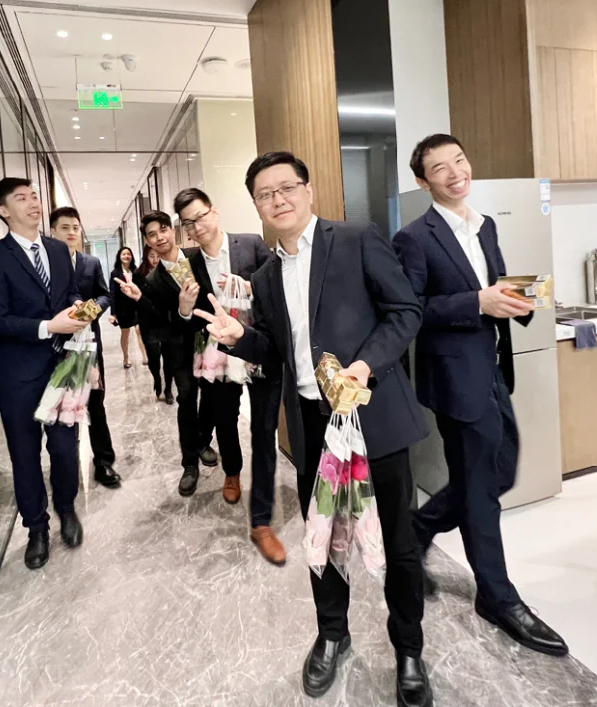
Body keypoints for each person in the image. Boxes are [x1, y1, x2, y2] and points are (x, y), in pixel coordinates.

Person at [195, 151, 432, 705]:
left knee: (399, 541)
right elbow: (275, 351)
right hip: (311, 426)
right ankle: (332, 635)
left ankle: (409, 648)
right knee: (323, 538)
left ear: (308, 190)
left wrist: (365, 365)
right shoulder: (264, 277)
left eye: (287, 187)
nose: (278, 199)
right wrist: (240, 338)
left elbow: (404, 311)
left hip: (371, 417)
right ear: (256, 206)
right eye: (265, 194)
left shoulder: (356, 239)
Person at [392, 134, 568, 658]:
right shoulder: (413, 238)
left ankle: (418, 526)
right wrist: (477, 302)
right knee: (480, 492)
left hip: (492, 369)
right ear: (423, 181)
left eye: (460, 160)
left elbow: (496, 285)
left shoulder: (485, 224)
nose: (455, 173)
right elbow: (410, 311)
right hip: (455, 380)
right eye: (439, 168)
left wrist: (518, 299)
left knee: (501, 472)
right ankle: (496, 596)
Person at [0, 178, 89, 570]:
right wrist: (48, 327)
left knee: (65, 448)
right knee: (25, 454)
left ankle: (67, 510)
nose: (33, 203)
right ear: (3, 210)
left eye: (35, 196)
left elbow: (71, 293)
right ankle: (36, 528)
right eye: (21, 198)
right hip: (19, 374)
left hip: (64, 367)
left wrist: (79, 310)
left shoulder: (58, 249)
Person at [173, 188, 284, 566]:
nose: (197, 226)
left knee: (264, 429)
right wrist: (184, 309)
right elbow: (184, 322)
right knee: (225, 419)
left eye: (200, 216)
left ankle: (261, 519)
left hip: (260, 347)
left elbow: (278, 287)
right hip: (218, 352)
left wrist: (249, 288)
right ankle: (232, 473)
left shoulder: (250, 244)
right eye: (188, 223)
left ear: (214, 212)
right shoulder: (188, 264)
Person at [114, 211, 218, 497]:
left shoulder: (199, 257)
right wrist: (177, 309)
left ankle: (202, 440)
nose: (159, 237)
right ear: (147, 242)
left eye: (163, 229)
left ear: (173, 231)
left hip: (212, 341)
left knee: (212, 396)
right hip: (180, 347)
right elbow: (159, 319)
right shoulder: (152, 280)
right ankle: (190, 464)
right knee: (187, 399)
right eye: (152, 234)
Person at [50, 205, 121, 489]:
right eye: (65, 227)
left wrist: (89, 310)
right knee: (62, 407)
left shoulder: (90, 263)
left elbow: (105, 295)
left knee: (95, 403)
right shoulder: (45, 265)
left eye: (75, 228)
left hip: (89, 343)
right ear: (52, 231)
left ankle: (103, 461)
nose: (71, 232)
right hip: (57, 346)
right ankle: (66, 465)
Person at [134, 246, 175, 404]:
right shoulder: (139, 274)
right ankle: (157, 380)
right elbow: (137, 300)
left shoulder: (169, 270)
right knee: (153, 358)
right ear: (146, 256)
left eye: (158, 256)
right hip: (148, 322)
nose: (155, 259)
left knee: (169, 358)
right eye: (152, 256)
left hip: (166, 320)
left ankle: (168, 389)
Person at [109, 247, 147, 369]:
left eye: (128, 254)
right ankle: (126, 357)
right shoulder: (115, 273)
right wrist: (113, 313)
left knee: (139, 330)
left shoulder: (136, 271)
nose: (126, 256)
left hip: (136, 305)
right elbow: (112, 293)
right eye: (124, 254)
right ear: (119, 257)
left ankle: (145, 356)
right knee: (125, 332)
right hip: (123, 308)